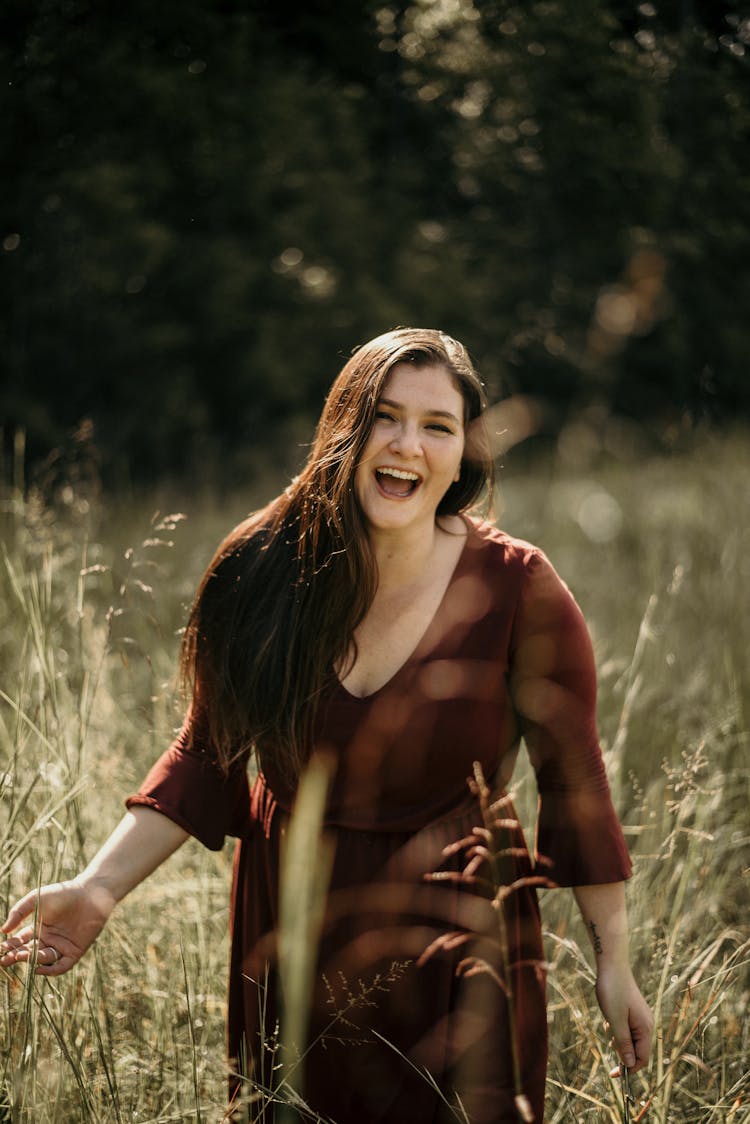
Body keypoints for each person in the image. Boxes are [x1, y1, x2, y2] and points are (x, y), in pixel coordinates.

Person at [1, 328, 652, 1122]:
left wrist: (613, 961)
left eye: (437, 426)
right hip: (294, 932)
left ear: (463, 453)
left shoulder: (518, 587)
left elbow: (574, 783)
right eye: (385, 416)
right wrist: (97, 889)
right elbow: (207, 757)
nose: (407, 445)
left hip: (463, 944)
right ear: (345, 426)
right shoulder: (259, 566)